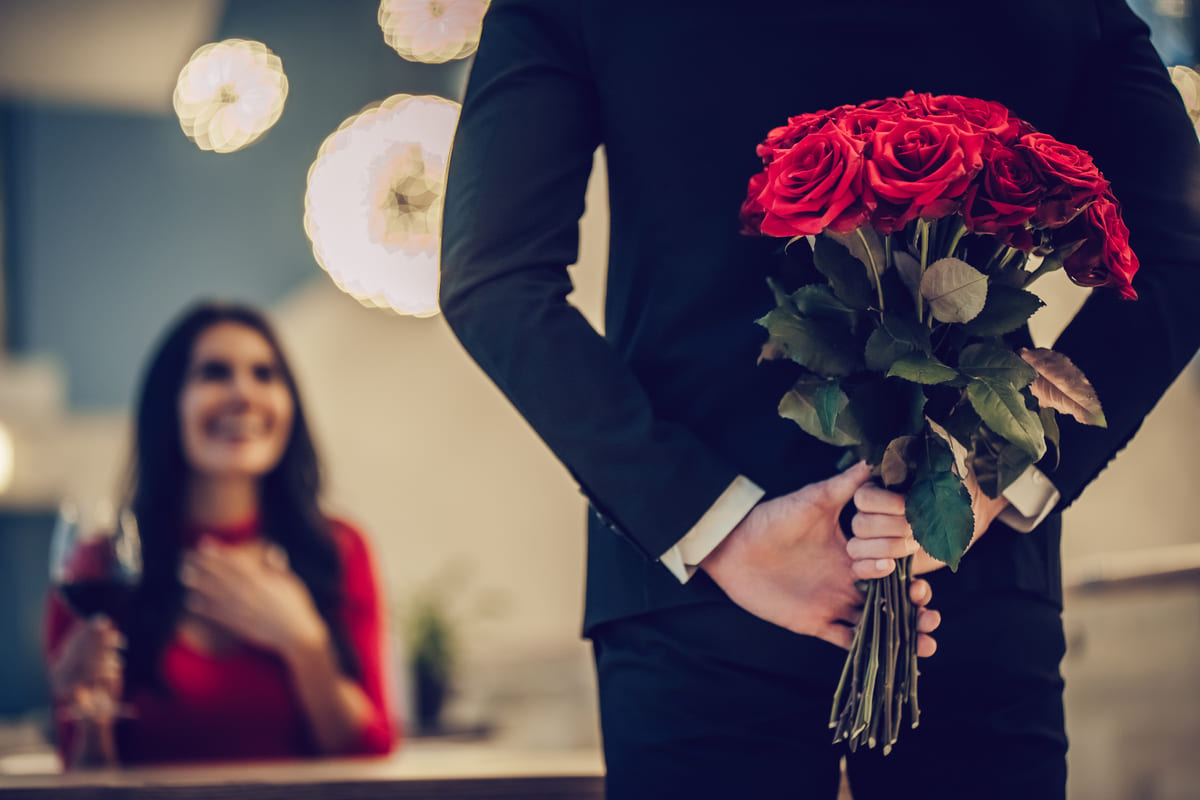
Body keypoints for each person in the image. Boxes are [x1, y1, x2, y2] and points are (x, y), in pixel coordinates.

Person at [438, 2, 1200, 799]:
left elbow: (493, 279)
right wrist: (993, 480)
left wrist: (713, 523)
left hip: (699, 593)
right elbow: (1182, 251)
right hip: (962, 571)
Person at [45, 301, 397, 767]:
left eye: (265, 374)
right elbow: (85, 776)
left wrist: (304, 643)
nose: (245, 394)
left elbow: (370, 757)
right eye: (215, 373)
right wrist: (88, 718)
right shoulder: (97, 567)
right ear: (168, 405)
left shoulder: (340, 550)